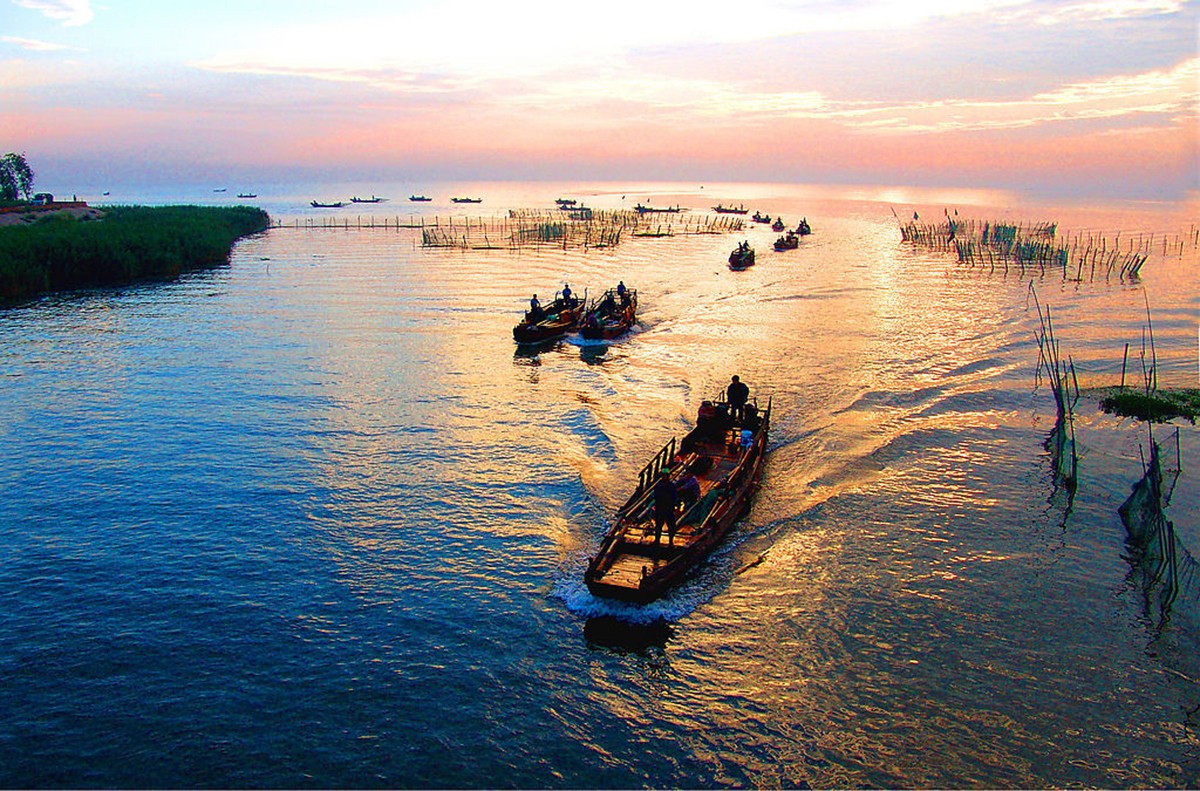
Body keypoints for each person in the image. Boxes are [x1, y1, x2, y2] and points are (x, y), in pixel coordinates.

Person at [652, 469, 678, 545]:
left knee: (671, 526)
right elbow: (656, 496)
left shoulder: (671, 486)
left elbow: (674, 497)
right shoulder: (659, 486)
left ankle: (670, 541)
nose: (664, 477)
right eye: (663, 476)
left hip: (668, 509)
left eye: (665, 476)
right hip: (661, 508)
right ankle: (657, 540)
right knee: (659, 526)